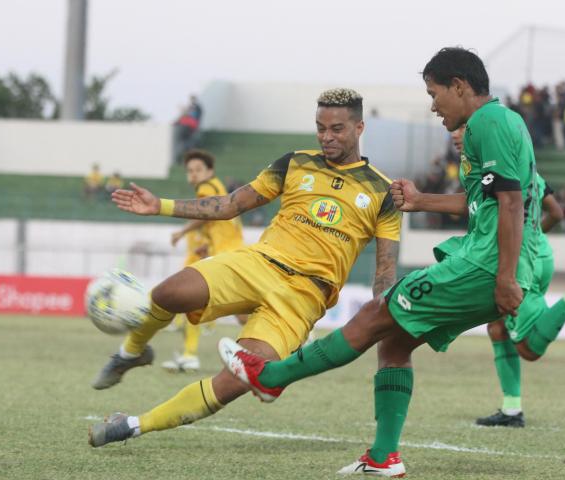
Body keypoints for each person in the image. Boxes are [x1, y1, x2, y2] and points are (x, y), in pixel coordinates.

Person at [218, 48, 565, 477]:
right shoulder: (500, 124)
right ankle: (383, 456)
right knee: (395, 342)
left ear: (459, 87)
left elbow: (511, 200)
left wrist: (504, 276)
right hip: (490, 261)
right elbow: (484, 199)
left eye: (434, 93)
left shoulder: (489, 122)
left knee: (377, 313)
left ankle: (272, 376)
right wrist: (421, 200)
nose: (432, 105)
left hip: (484, 265)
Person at [87, 88, 402, 449]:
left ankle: (131, 425)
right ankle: (132, 352)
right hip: (259, 263)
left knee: (240, 378)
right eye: (320, 128)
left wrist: (383, 314)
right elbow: (230, 204)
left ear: (359, 127)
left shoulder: (384, 191)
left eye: (337, 129)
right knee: (168, 293)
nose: (326, 137)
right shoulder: (295, 163)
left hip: (304, 295)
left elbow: (385, 272)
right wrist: (160, 205)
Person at [449, 126, 565, 427]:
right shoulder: (524, 169)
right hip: (537, 254)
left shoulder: (492, 171)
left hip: (518, 261)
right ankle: (511, 410)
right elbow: (556, 213)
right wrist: (531, 237)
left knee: (528, 348)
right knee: (497, 328)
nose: (456, 134)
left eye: (465, 129)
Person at [161, 149, 247, 373]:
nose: (194, 174)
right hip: (232, 252)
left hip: (227, 255)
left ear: (209, 171)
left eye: (198, 170)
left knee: (191, 299)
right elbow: (220, 224)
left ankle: (190, 355)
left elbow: (203, 214)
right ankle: (295, 340)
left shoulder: (206, 188)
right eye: (190, 170)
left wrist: (181, 232)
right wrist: (207, 246)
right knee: (243, 314)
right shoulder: (217, 187)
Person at [174, 95, 204, 161]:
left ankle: (185, 157)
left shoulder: (196, 108)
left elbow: (196, 118)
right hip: (190, 128)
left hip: (189, 128)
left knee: (186, 144)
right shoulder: (192, 109)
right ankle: (185, 157)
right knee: (187, 144)